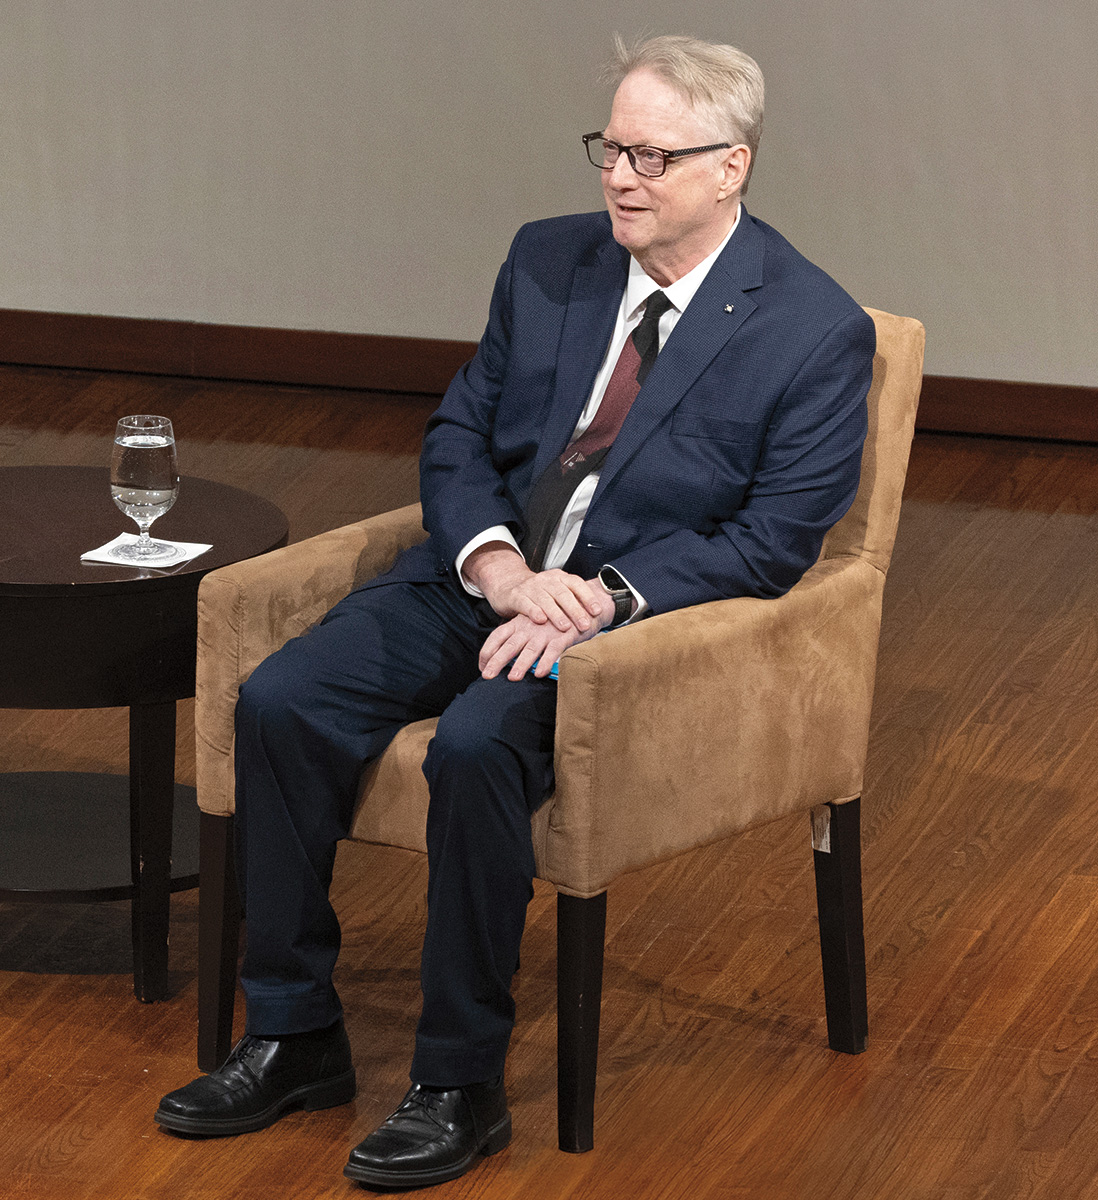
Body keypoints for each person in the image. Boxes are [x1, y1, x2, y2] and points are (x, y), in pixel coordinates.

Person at [155, 33, 875, 1191]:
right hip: (495, 581)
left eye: (653, 155)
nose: (621, 177)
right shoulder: (549, 263)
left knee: (484, 746)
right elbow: (458, 438)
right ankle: (294, 1034)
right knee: (280, 701)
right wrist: (496, 567)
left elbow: (774, 540)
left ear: (731, 167)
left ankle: (459, 1082)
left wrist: (602, 600)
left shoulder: (810, 328)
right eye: (610, 148)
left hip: (620, 627)